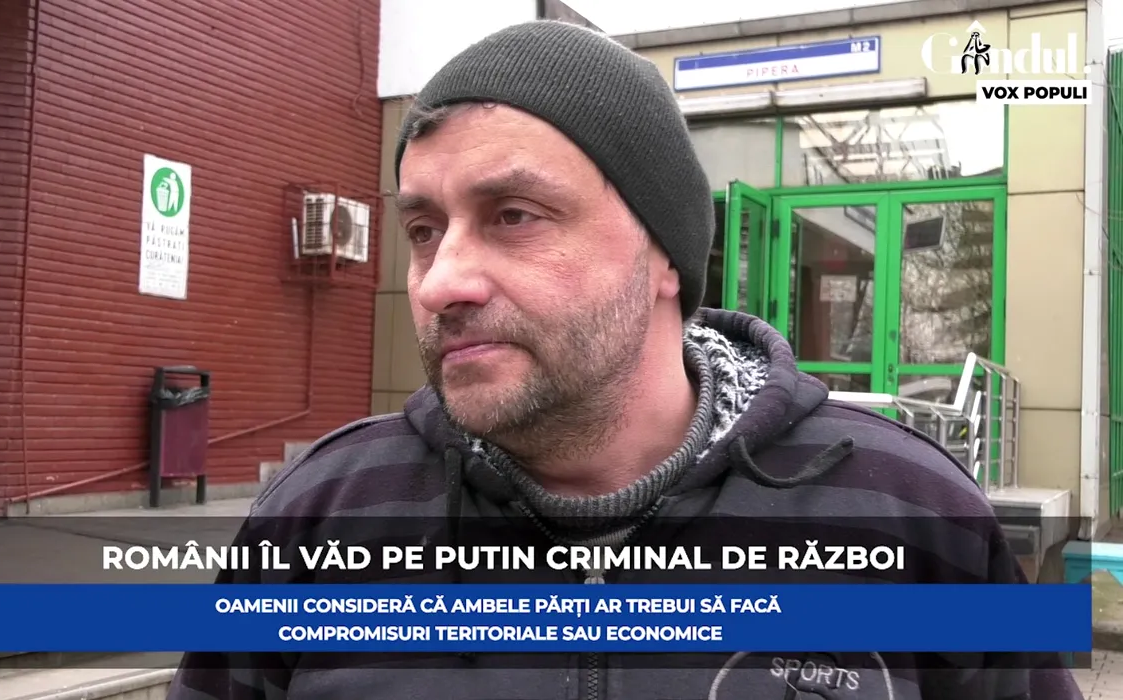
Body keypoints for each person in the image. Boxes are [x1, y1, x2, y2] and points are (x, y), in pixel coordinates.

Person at [167, 20, 1084, 700]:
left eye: (513, 216)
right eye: (423, 230)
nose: (440, 281)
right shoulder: (320, 520)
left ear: (663, 257)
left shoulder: (910, 513)